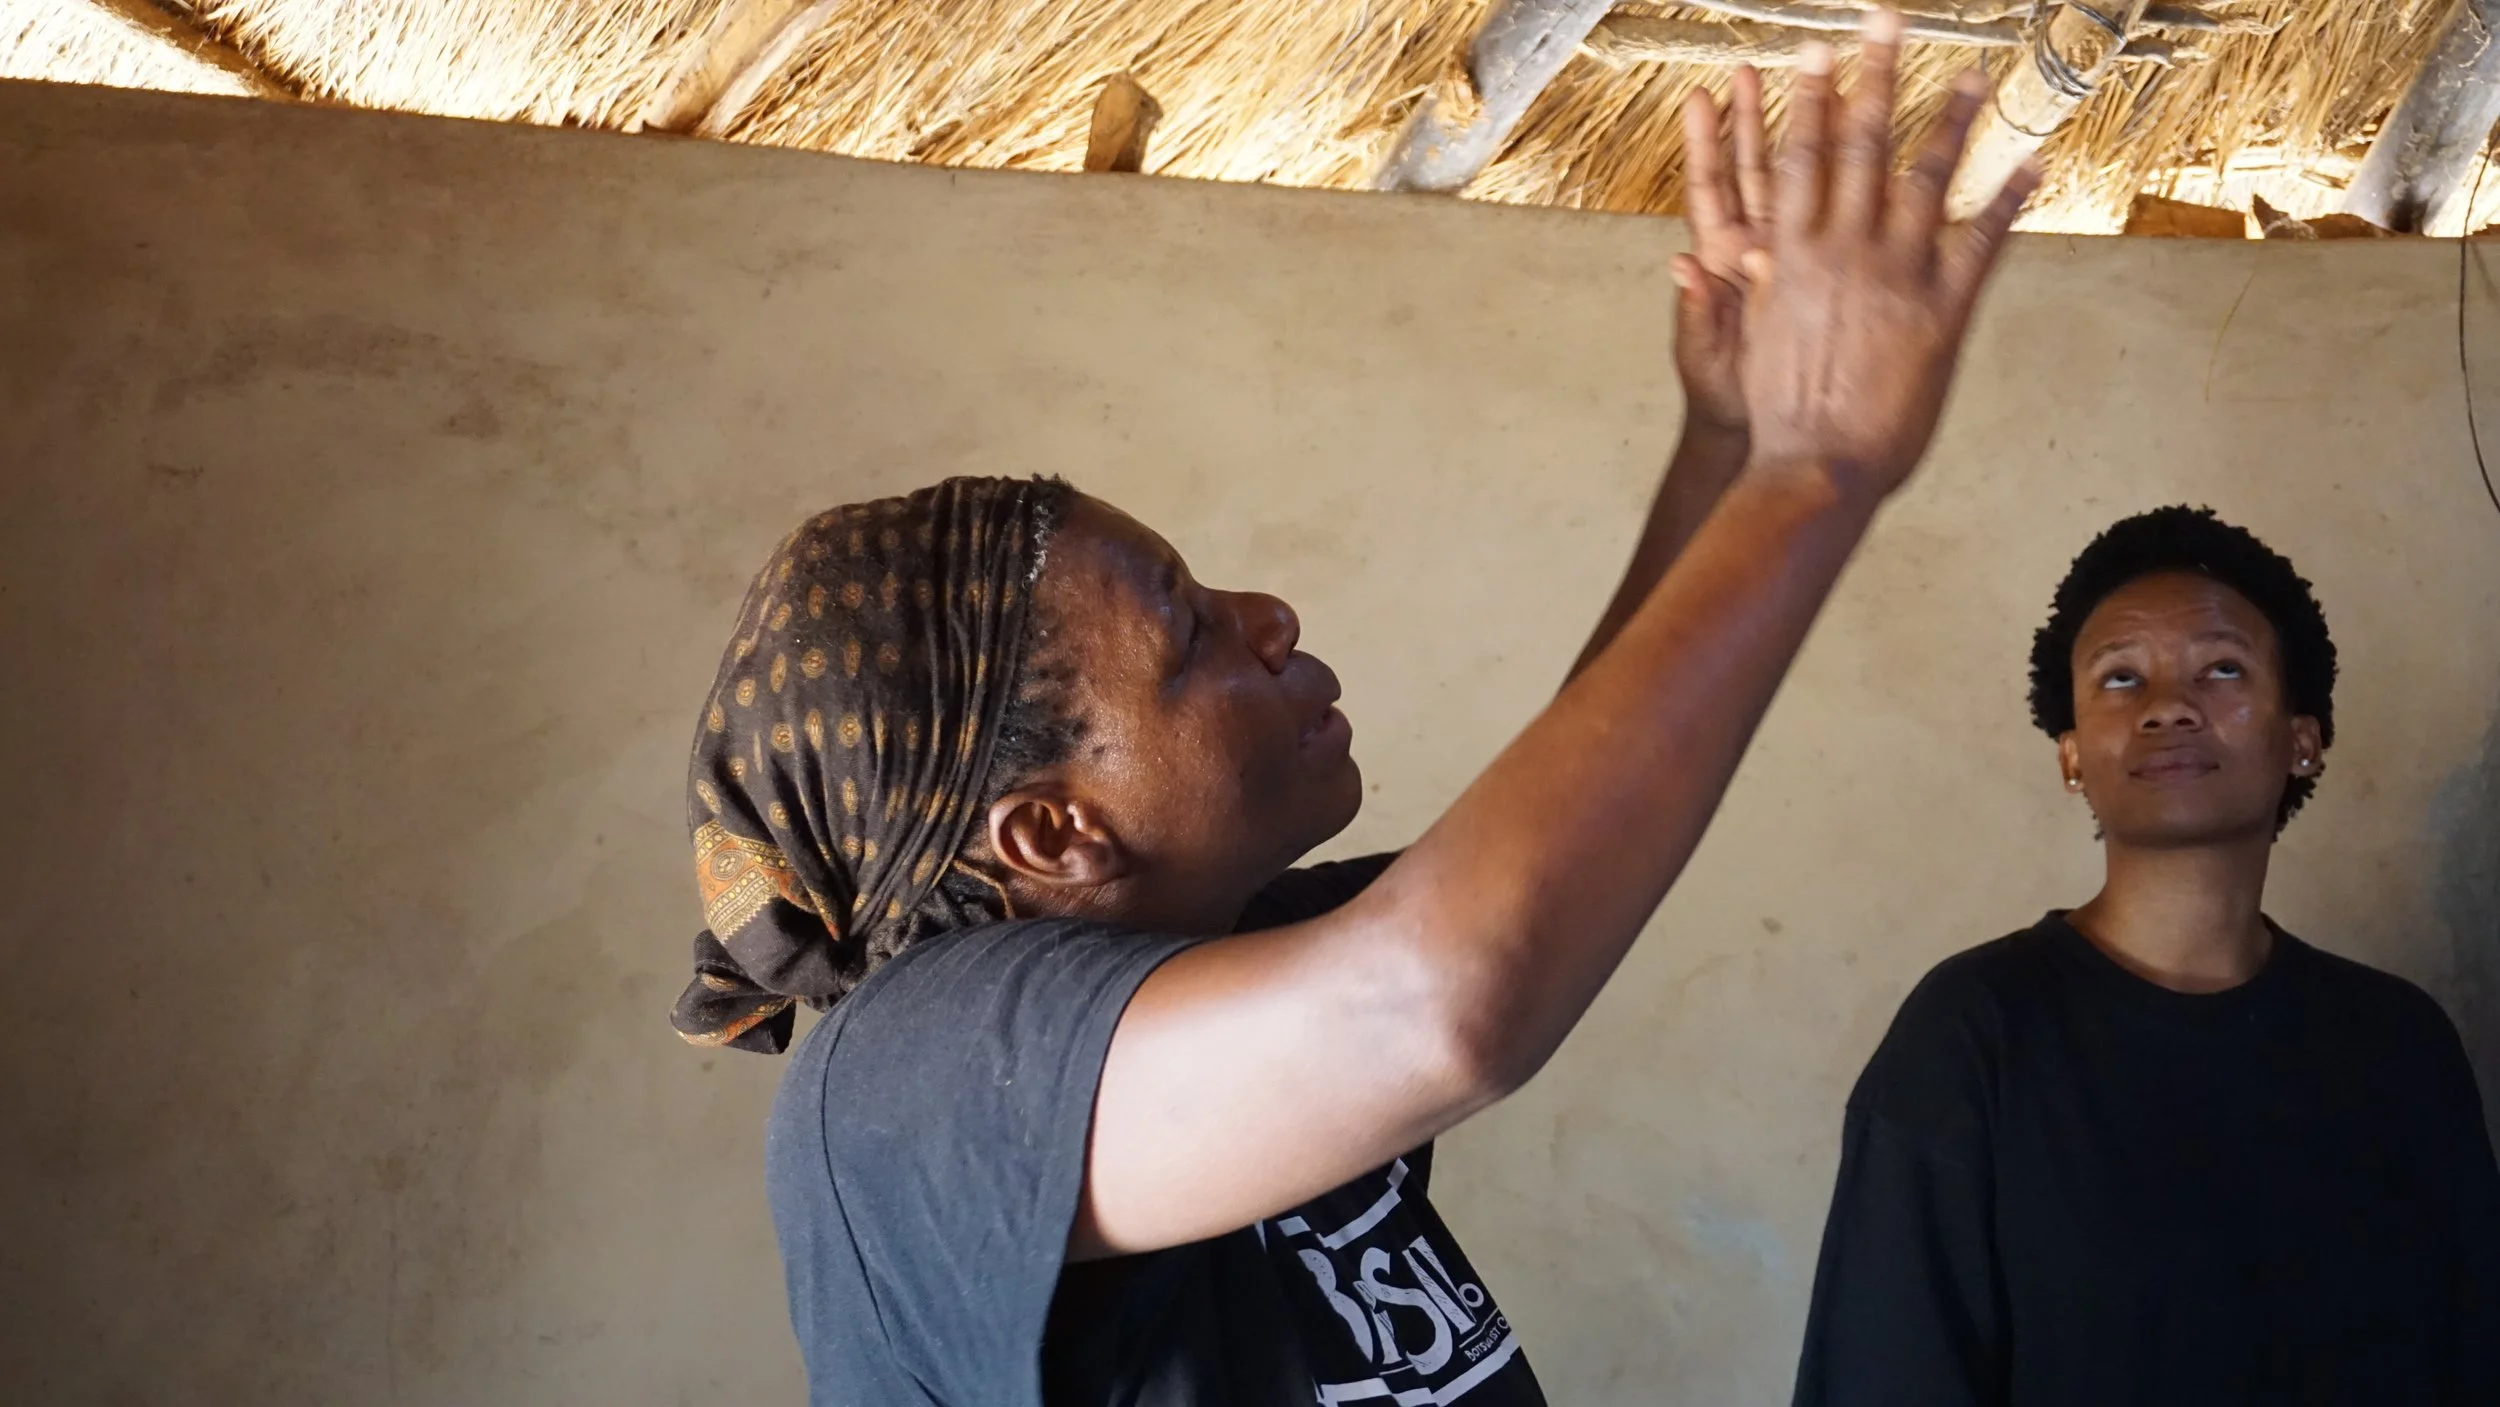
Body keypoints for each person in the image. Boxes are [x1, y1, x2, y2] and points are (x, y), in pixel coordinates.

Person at [672, 15, 2038, 1403]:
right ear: (1050, 833)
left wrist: (1729, 441)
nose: (1270, 619)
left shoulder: (1222, 964)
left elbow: (1551, 845)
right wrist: (1818, 469)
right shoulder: (899, 1078)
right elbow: (1443, 996)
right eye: (1189, 627)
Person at [1791, 506, 2500, 1406]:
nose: (2168, 703)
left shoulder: (2400, 1047)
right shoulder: (1973, 1038)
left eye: (2223, 668)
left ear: (2302, 740)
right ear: (2073, 755)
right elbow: (1882, 1374)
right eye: (2121, 678)